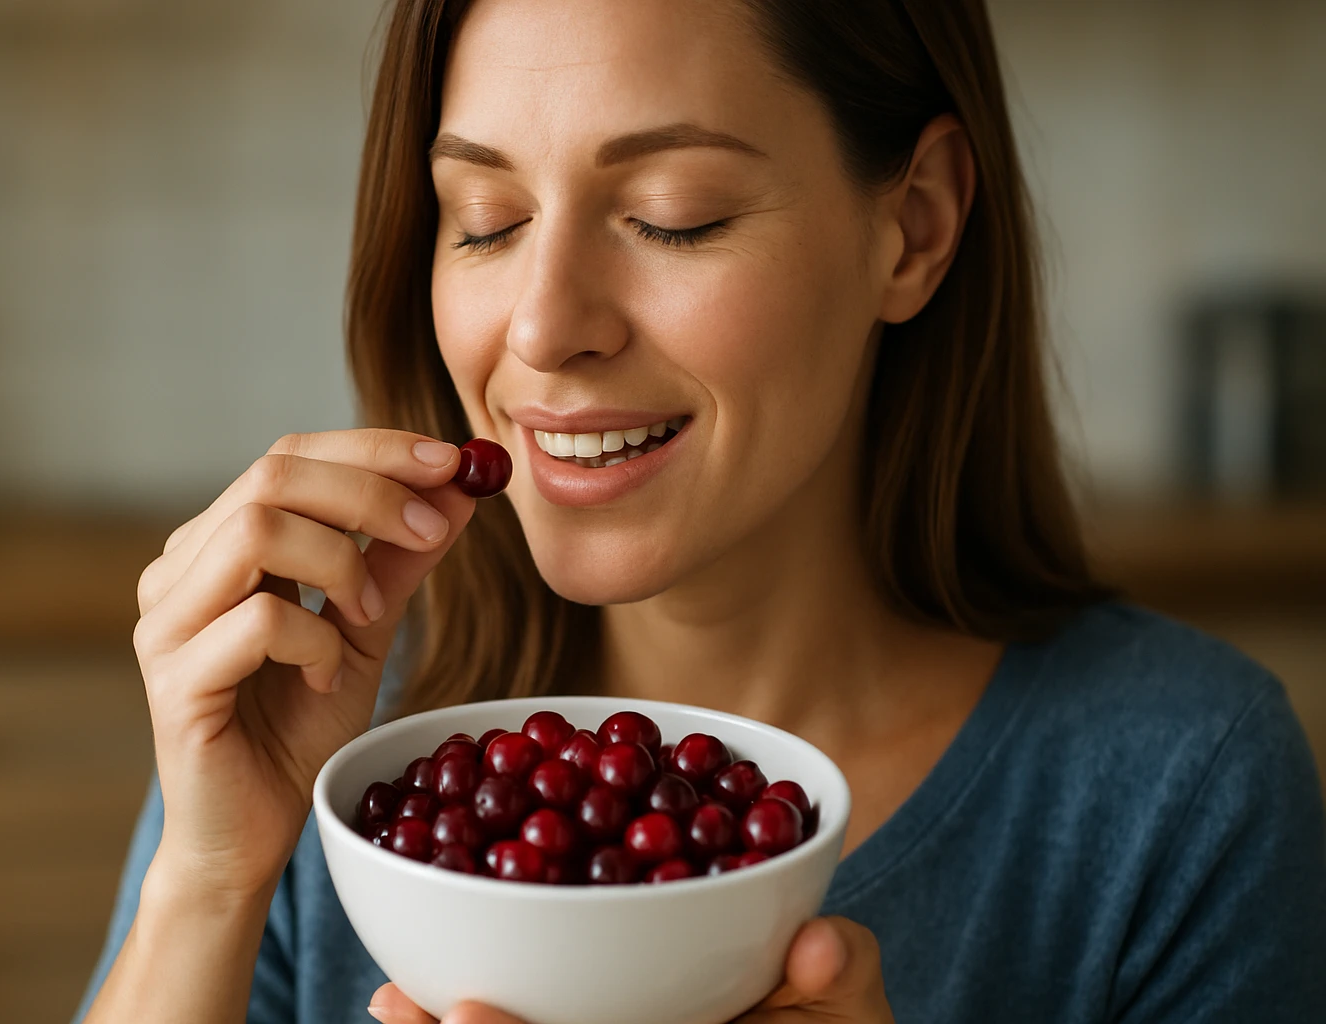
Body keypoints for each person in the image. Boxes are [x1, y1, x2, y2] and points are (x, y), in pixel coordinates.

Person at [74, 1, 1326, 1021]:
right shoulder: (330, 718)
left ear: (915, 227)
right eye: (486, 221)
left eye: (674, 216)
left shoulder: (1179, 788)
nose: (545, 328)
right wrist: (210, 875)